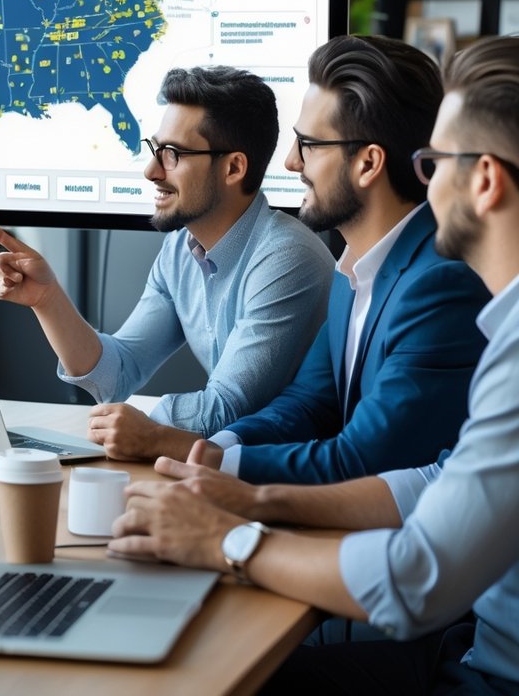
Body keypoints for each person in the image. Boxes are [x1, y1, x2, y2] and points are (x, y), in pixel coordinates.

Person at [110, 35, 519, 695]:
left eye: (435, 161)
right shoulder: (364, 272)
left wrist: (229, 540)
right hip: (468, 646)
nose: (292, 161)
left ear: (485, 180)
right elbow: (434, 474)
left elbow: (415, 578)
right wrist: (237, 483)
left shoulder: (464, 302)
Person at [135, 35, 488, 483]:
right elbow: (306, 403)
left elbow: (363, 458)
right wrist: (215, 448)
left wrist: (217, 467)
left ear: (367, 164)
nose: (289, 162)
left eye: (309, 144)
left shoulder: (439, 285)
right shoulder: (352, 270)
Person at [0, 65, 334, 445]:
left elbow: (227, 410)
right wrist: (46, 299)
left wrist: (143, 427)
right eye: (154, 149)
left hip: (286, 478)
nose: (151, 170)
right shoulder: (180, 250)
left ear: (233, 167)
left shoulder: (287, 258)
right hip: (224, 467)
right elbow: (117, 374)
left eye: (173, 154)